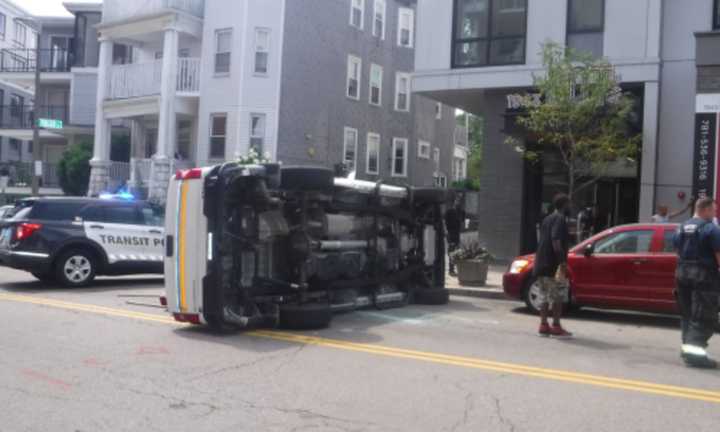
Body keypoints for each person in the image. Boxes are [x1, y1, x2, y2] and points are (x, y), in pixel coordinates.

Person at [673, 197, 720, 369]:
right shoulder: (710, 229)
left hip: (682, 274)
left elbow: (677, 252)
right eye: (713, 210)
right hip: (703, 276)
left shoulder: (681, 227)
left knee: (687, 314)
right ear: (706, 210)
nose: (714, 213)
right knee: (704, 317)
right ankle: (695, 357)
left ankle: (687, 350)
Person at [534, 193, 573, 338]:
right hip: (554, 265)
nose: (571, 206)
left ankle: (543, 325)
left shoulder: (547, 219)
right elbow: (555, 240)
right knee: (558, 297)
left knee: (544, 295)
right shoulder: (560, 219)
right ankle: (556, 326)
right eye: (569, 204)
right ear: (564, 205)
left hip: (541, 262)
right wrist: (562, 261)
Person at [445, 194, 464, 276]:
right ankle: (451, 269)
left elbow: (462, 223)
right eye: (457, 200)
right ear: (454, 201)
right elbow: (445, 223)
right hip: (451, 234)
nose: (458, 202)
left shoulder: (462, 212)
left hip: (457, 234)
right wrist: (446, 234)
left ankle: (455, 269)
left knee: (457, 252)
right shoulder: (449, 212)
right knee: (451, 252)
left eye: (459, 200)